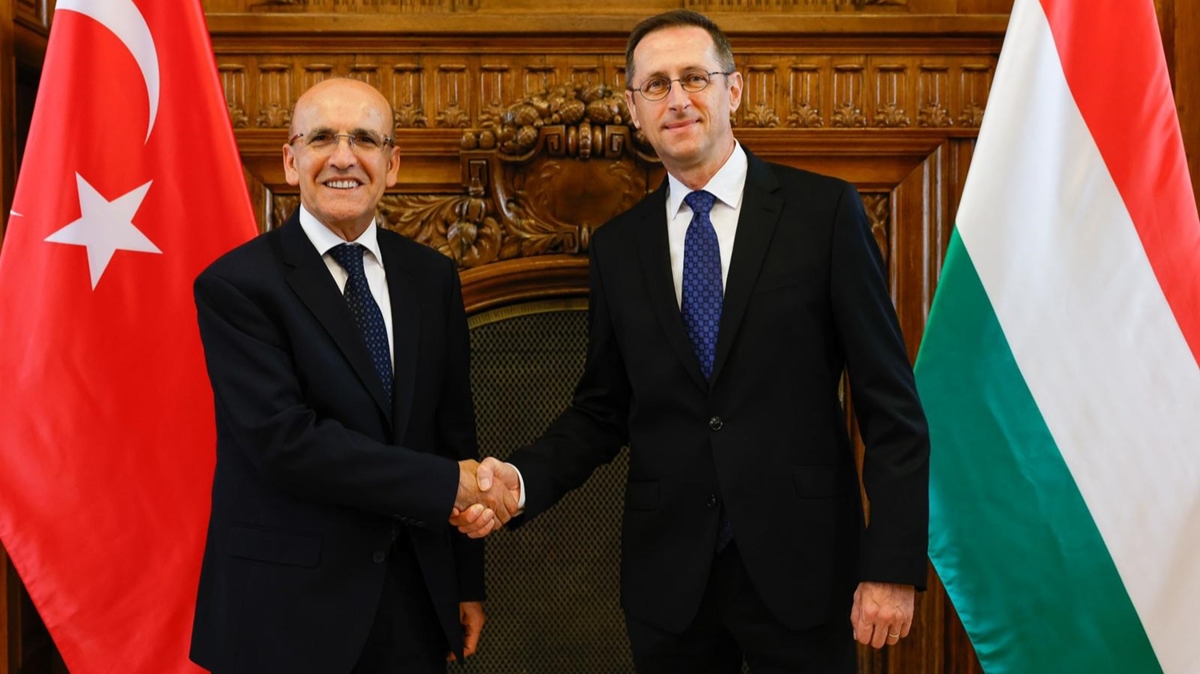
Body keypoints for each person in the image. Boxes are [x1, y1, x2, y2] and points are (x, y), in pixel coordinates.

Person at [455, 9, 930, 674]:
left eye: (694, 78)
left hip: (804, 568)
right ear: (634, 110)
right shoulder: (620, 247)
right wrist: (522, 479)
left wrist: (893, 564)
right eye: (656, 85)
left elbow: (891, 408)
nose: (677, 99)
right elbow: (602, 410)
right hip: (670, 583)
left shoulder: (823, 214)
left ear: (733, 90)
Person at [189, 78, 513, 674]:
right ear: (291, 161)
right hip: (285, 611)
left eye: (364, 139)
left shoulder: (432, 278)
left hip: (413, 603)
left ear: (393, 165)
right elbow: (286, 442)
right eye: (322, 139)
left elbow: (453, 432)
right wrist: (448, 484)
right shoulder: (237, 285)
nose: (344, 157)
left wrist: (464, 581)